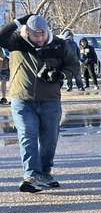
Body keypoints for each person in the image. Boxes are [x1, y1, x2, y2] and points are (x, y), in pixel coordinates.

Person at [0, 14, 80, 192]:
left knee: (49, 138)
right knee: (27, 134)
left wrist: (60, 75)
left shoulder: (59, 45)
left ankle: (44, 172)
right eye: (35, 35)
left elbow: (74, 65)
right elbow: (1, 36)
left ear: (47, 31)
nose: (40, 38)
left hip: (50, 100)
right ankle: (31, 175)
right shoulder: (17, 42)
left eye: (42, 34)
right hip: (22, 99)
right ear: (27, 33)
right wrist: (19, 20)